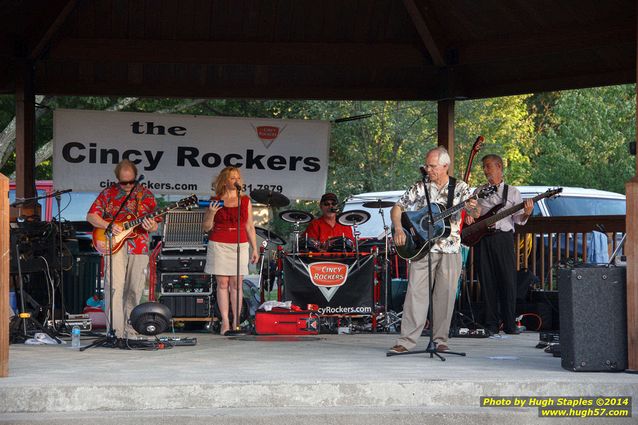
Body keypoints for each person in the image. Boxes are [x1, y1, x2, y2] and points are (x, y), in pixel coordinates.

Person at [388, 146, 480, 354]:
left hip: (450, 248)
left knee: (445, 296)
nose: (428, 169)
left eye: (432, 166)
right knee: (415, 294)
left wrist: (472, 207)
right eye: (427, 165)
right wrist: (399, 228)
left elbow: (476, 210)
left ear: (445, 166)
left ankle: (440, 340)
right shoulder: (420, 187)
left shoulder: (461, 188)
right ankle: (407, 341)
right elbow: (397, 207)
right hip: (422, 248)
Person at [87, 159, 158, 339]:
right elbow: (91, 216)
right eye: (123, 182)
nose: (127, 186)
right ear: (117, 179)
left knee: (134, 289)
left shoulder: (146, 195)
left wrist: (151, 226)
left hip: (139, 245)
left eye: (131, 182)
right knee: (115, 288)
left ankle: (131, 330)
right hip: (114, 245)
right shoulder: (108, 193)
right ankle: (116, 332)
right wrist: (108, 224)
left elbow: (155, 225)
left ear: (136, 177)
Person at [465, 154, 533, 335]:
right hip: (483, 239)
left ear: (499, 167)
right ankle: (491, 324)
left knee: (507, 280)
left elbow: (519, 220)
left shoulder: (512, 192)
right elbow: (474, 213)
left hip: (503, 238)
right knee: (486, 281)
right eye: (484, 167)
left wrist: (526, 213)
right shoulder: (479, 191)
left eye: (488, 166)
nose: (485, 171)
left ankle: (510, 324)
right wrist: (470, 213)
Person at [202, 166, 259, 335]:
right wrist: (211, 213)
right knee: (222, 283)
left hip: (240, 245)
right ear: (225, 181)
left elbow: (250, 226)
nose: (236, 181)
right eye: (232, 178)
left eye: (238, 178)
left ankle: (236, 322)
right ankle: (225, 322)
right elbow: (206, 228)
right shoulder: (215, 200)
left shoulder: (245, 200)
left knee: (236, 284)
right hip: (219, 243)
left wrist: (254, 248)